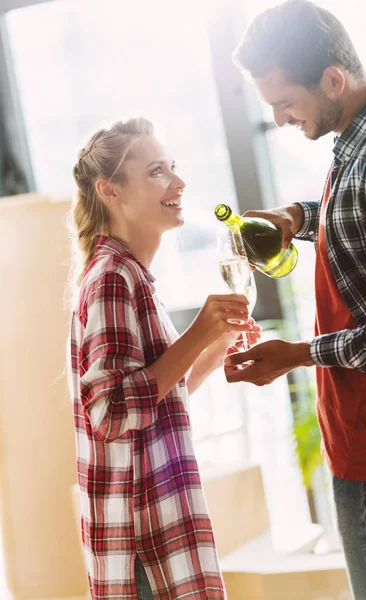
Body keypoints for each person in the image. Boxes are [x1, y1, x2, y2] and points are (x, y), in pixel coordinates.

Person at [225, 1, 366, 598]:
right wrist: (298, 215)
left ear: (332, 79)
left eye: (284, 102)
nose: (278, 119)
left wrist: (299, 354)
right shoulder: (365, 136)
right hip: (364, 441)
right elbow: (363, 220)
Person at [68, 116, 260, 600]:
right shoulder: (113, 277)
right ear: (110, 190)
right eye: (156, 171)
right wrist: (196, 334)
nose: (178, 182)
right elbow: (110, 412)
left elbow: (148, 401)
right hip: (144, 543)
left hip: (157, 534)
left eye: (172, 167)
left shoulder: (128, 275)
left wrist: (213, 350)